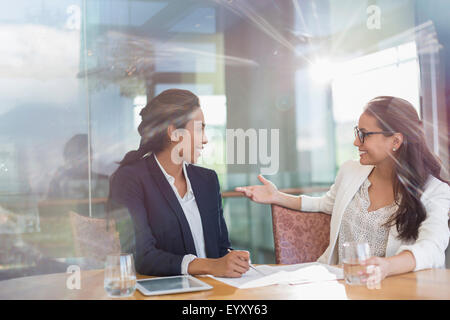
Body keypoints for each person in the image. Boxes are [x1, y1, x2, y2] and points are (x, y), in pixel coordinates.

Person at [236, 96, 450, 288]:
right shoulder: (351, 171)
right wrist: (277, 196)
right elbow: (325, 204)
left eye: (364, 135)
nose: (356, 142)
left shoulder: (435, 191)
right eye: (357, 132)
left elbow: (431, 248)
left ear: (395, 141)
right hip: (337, 285)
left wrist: (386, 266)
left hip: (396, 289)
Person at [109, 89, 250, 277]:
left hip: (215, 292)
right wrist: (210, 266)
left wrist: (233, 261)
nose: (206, 139)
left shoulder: (207, 180)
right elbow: (141, 256)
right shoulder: (130, 179)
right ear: (174, 133)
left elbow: (221, 249)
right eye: (200, 129)